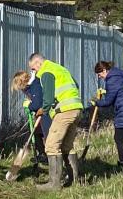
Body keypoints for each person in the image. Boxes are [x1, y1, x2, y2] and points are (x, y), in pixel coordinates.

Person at [28, 53, 84, 190]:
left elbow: (47, 98)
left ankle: (54, 184)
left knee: (51, 146)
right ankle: (74, 179)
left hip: (64, 111)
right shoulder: (60, 69)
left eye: (33, 68)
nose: (33, 72)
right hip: (76, 108)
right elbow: (76, 85)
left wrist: (43, 110)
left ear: (38, 63)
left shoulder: (46, 72)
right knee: (67, 146)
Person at [11, 71, 50, 164]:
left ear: (22, 82)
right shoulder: (30, 87)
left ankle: (49, 157)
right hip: (40, 114)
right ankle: (42, 154)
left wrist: (29, 106)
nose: (21, 90)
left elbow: (37, 104)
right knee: (36, 133)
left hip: (46, 113)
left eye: (20, 87)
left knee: (47, 135)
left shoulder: (35, 85)